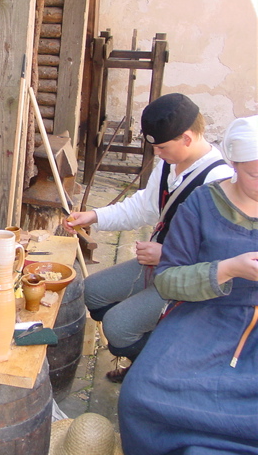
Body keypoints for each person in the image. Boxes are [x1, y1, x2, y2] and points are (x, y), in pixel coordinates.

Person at [64, 93, 234, 382]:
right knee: (91, 291)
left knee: (118, 327)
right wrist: (94, 216)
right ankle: (147, 339)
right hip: (157, 264)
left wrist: (166, 254)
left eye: (162, 147)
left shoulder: (218, 180)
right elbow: (144, 207)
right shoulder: (170, 163)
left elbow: (222, 256)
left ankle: (154, 371)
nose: (156, 153)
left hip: (188, 280)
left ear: (187, 138)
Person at [119, 115, 258, 454]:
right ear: (234, 165)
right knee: (140, 395)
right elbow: (167, 280)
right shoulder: (202, 204)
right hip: (204, 315)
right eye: (256, 173)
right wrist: (227, 269)